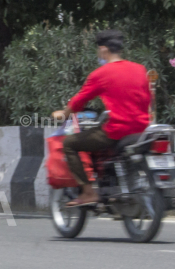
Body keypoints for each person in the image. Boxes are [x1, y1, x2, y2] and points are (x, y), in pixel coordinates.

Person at [52, 29, 151, 206]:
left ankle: (88, 192)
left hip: (117, 131)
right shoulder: (140, 69)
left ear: (104, 49)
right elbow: (148, 99)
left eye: (98, 50)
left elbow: (78, 102)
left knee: (70, 143)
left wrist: (63, 114)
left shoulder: (101, 74)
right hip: (143, 130)